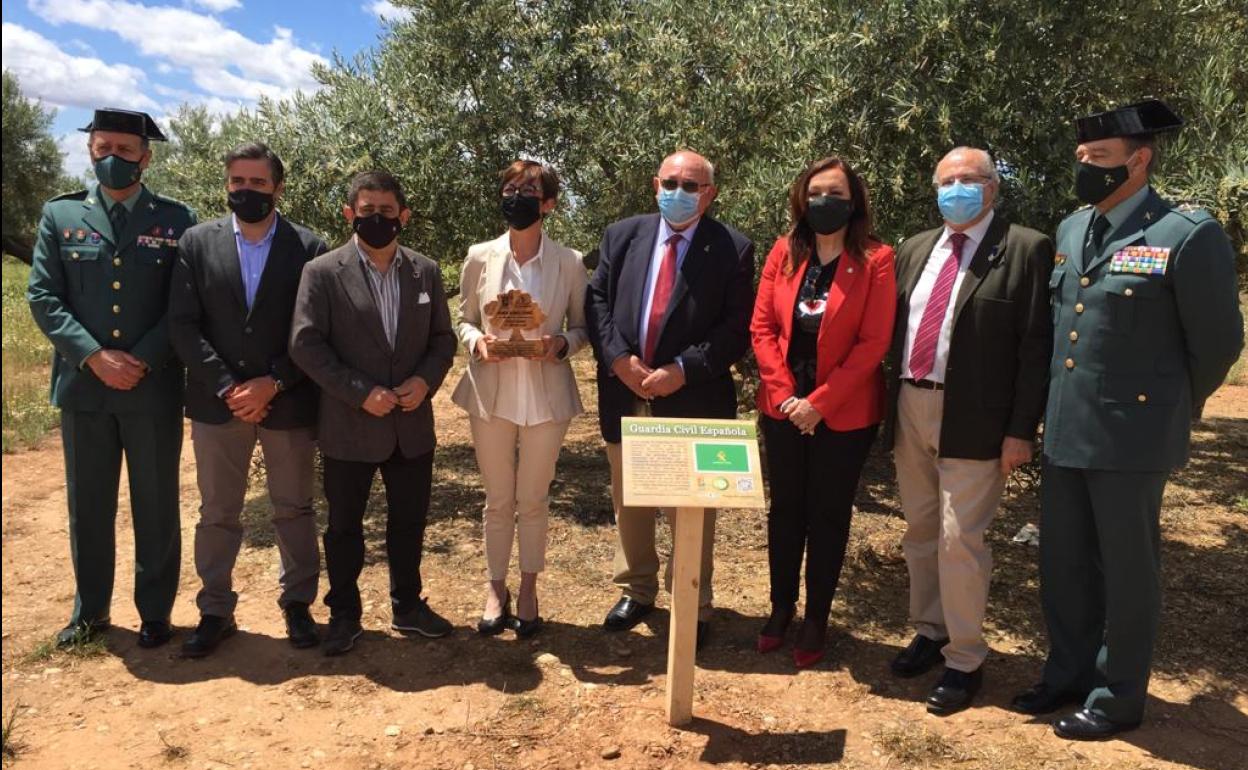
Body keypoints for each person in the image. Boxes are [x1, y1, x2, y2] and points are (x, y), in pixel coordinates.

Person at [1011, 99, 1243, 739]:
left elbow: (1219, 342)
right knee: (1063, 563)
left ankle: (1117, 697)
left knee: (1127, 569)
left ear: (1139, 161)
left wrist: (1169, 407)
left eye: (1101, 158)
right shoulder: (1071, 228)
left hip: (1132, 437)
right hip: (1066, 429)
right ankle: (1066, 675)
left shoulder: (1185, 234)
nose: (1086, 167)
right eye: (1082, 157)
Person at [883, 147, 1053, 712]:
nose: (956, 188)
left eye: (969, 179)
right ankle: (930, 631)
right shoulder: (913, 248)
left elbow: (1035, 347)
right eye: (946, 180)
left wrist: (1020, 429)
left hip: (976, 418)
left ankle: (965, 659)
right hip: (911, 405)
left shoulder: (1026, 247)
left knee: (961, 541)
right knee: (922, 531)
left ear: (993, 187)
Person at [27, 108, 196, 649]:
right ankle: (91, 612)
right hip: (85, 387)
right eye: (104, 148)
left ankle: (154, 613)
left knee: (156, 503)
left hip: (152, 386)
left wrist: (141, 358)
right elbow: (43, 296)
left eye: (125, 151)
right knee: (89, 505)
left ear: (146, 157)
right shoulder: (61, 216)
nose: (113, 159)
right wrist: (94, 356)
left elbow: (183, 304)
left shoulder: (176, 220)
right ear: (90, 149)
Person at [585, 150, 755, 649]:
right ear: (655, 184)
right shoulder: (623, 235)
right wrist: (619, 360)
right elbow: (596, 301)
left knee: (692, 508)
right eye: (671, 182)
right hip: (625, 389)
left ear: (710, 194)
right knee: (629, 498)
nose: (679, 192)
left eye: (692, 185)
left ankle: (693, 602)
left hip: (693, 398)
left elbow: (735, 326)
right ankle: (637, 588)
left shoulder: (733, 248)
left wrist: (682, 371)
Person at [169, 142, 328, 657]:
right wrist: (228, 386)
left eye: (258, 183)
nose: (247, 191)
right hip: (219, 404)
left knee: (295, 508)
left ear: (278, 188)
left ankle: (298, 605)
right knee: (217, 512)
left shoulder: (309, 247)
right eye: (238, 182)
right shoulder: (196, 243)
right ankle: (215, 609)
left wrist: (273, 382)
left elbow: (314, 330)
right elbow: (184, 325)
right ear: (227, 185)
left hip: (289, 401)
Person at [289, 171, 457, 656]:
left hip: (410, 425)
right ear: (349, 215)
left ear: (403, 216)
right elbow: (305, 344)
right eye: (367, 212)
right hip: (349, 425)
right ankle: (344, 613)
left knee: (409, 522)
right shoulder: (321, 272)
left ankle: (408, 606)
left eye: (386, 212)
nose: (377, 220)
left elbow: (442, 340)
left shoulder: (425, 271)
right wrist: (359, 392)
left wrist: (425, 381)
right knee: (344, 527)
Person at [750, 156, 896, 668]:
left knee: (828, 514)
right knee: (786, 510)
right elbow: (762, 330)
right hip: (783, 407)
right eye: (814, 193)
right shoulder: (783, 253)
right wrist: (788, 396)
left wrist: (820, 403)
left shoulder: (877, 259)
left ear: (853, 202)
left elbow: (873, 341)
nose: (823, 203)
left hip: (845, 412)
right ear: (800, 199)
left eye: (834, 194)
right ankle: (781, 606)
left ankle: (817, 617)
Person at [452, 161, 589, 638]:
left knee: (532, 498)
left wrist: (562, 345)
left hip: (546, 398)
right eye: (510, 187)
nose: (517, 196)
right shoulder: (478, 256)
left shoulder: (569, 262)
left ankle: (528, 587)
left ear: (548, 204)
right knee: (497, 499)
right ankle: (495, 588)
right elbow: (465, 317)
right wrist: (476, 343)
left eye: (529, 190)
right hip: (491, 395)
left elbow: (582, 327)